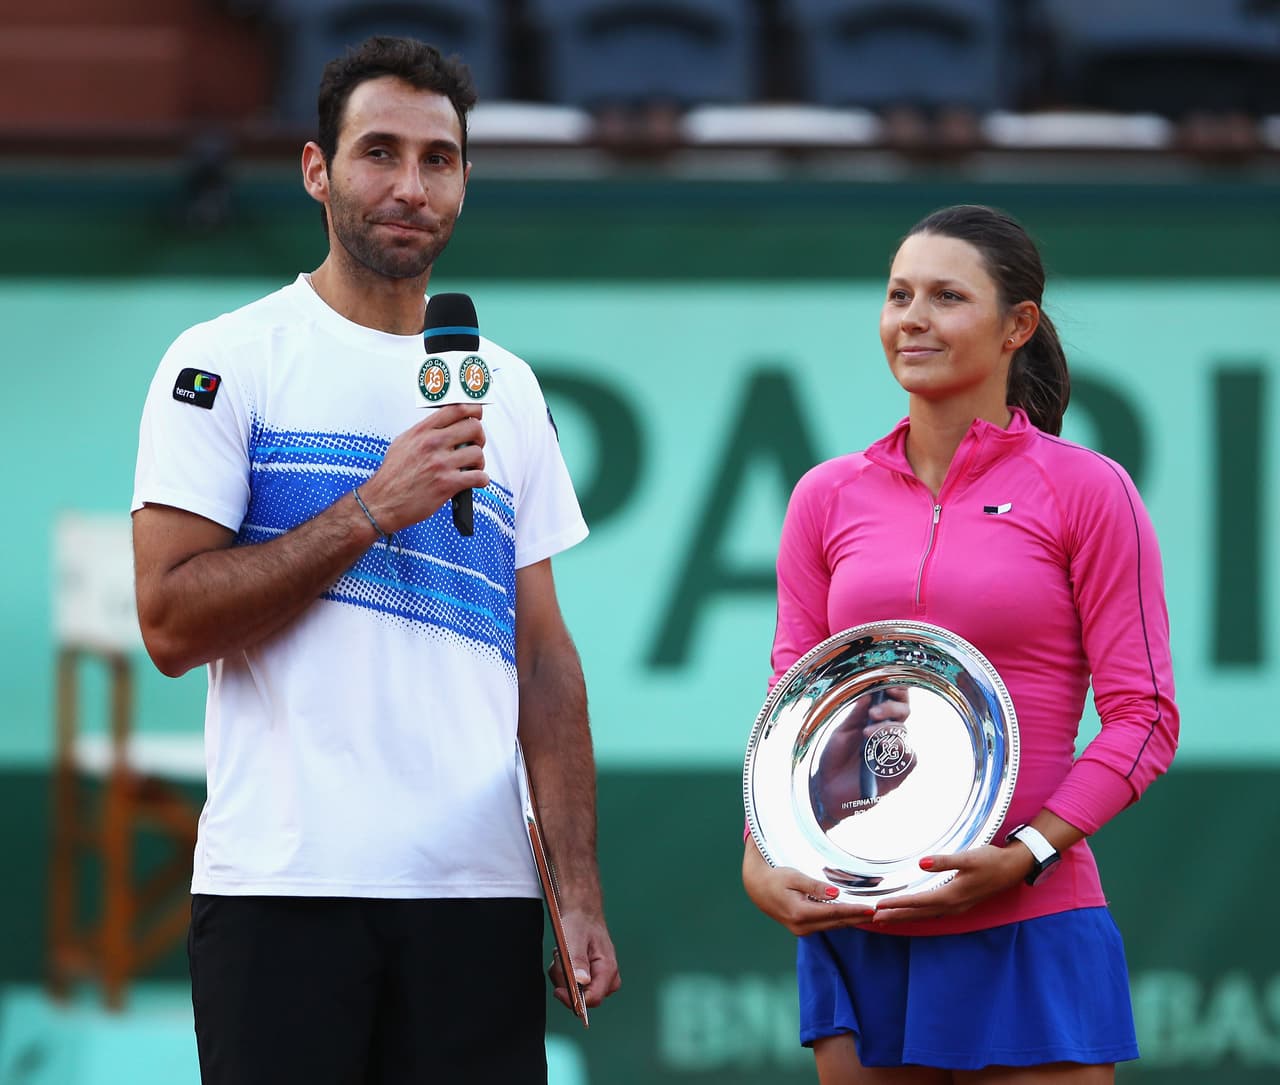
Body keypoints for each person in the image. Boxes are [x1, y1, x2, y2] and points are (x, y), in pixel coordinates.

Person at [131, 35, 619, 1085]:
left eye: (436, 160)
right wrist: (369, 509)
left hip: (479, 895)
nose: (408, 186)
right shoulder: (223, 361)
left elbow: (542, 658)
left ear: (464, 180)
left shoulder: (511, 388)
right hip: (282, 889)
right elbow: (169, 623)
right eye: (378, 153)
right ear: (317, 169)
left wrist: (573, 889)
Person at [743, 204, 1178, 1084]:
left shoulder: (1089, 490)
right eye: (899, 294)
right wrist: (761, 856)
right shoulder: (825, 496)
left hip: (1030, 915)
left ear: (1018, 326)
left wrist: (1027, 855)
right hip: (859, 921)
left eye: (947, 296)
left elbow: (1147, 719)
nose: (913, 318)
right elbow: (792, 708)